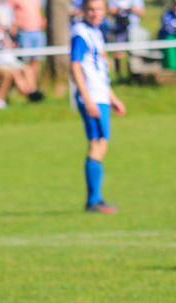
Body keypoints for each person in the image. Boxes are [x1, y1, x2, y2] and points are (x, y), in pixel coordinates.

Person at [71, 0, 127, 213]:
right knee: (96, 144)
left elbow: (98, 71)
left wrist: (112, 98)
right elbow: (75, 66)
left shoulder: (96, 33)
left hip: (101, 95)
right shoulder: (80, 33)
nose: (95, 13)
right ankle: (93, 200)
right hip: (91, 97)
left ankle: (97, 198)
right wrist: (87, 98)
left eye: (99, 9)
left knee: (102, 144)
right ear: (83, 11)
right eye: (91, 9)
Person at [9, 0, 48, 101]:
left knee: (36, 61)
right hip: (24, 32)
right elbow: (9, 10)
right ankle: (28, 91)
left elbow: (37, 11)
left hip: (38, 31)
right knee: (24, 63)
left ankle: (33, 88)